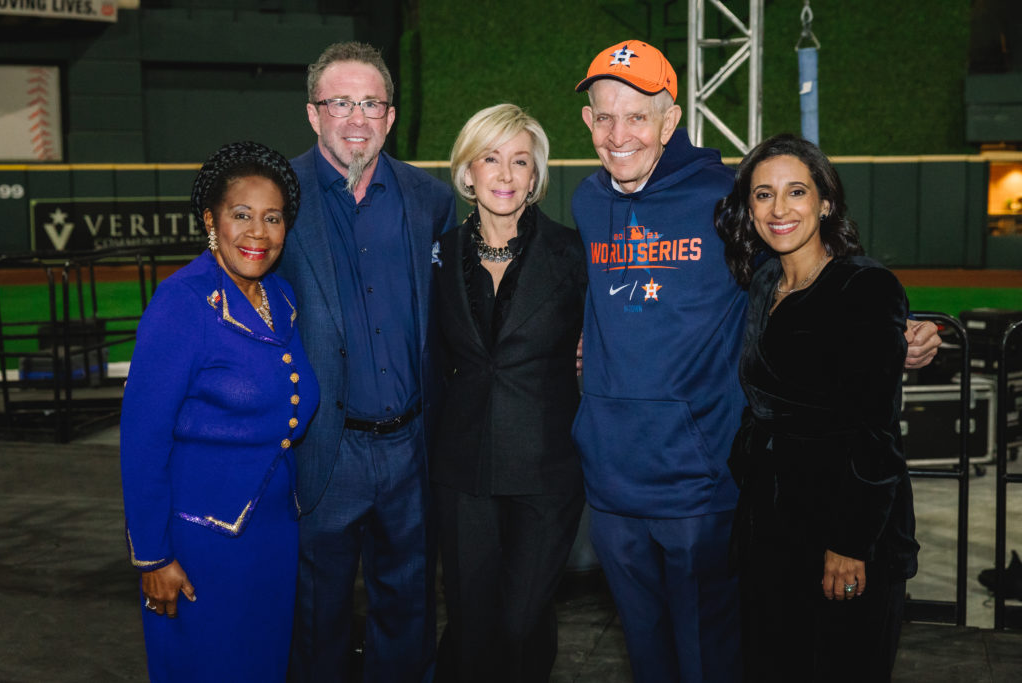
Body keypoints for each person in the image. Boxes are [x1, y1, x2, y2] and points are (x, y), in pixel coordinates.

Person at [569, 40, 940, 682]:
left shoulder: (724, 196)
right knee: (648, 659)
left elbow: (806, 257)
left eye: (636, 115)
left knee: (715, 661)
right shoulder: (584, 201)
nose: (618, 132)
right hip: (610, 482)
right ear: (586, 122)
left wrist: (893, 332)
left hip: (700, 481)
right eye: (603, 116)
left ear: (670, 119)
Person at [276, 41, 457, 682]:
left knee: (407, 618)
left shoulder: (430, 201)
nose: (357, 117)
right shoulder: (279, 200)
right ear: (313, 113)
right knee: (315, 622)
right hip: (324, 451)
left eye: (371, 103)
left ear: (390, 114)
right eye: (341, 102)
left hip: (411, 448)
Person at [714, 133, 919, 682]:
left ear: (825, 201)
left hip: (844, 530)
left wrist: (849, 544)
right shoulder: (761, 280)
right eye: (763, 194)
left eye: (796, 191)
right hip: (770, 526)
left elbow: (875, 431)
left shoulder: (865, 287)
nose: (779, 209)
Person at [120, 141, 319, 682]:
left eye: (273, 218)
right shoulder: (181, 303)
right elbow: (142, 442)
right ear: (211, 220)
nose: (258, 232)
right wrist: (153, 558)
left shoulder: (280, 297)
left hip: (272, 536)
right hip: (200, 544)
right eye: (242, 215)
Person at [431, 104, 586, 682]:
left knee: (522, 622)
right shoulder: (437, 255)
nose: (504, 173)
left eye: (519, 160)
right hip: (462, 470)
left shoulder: (574, 254)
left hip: (546, 472)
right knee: (471, 628)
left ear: (536, 174)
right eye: (490, 158)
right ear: (467, 172)